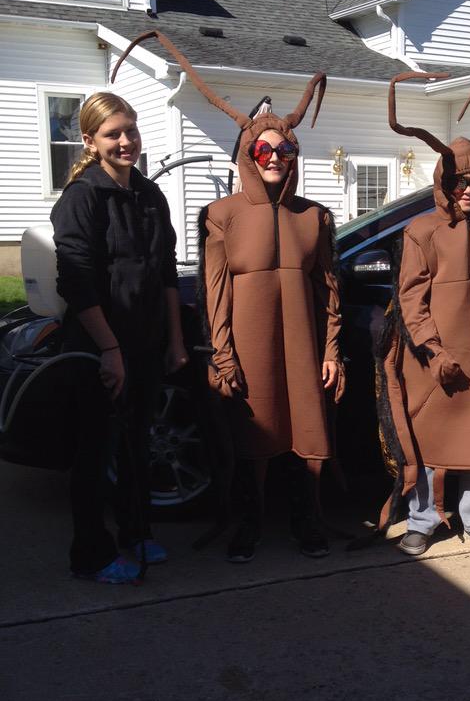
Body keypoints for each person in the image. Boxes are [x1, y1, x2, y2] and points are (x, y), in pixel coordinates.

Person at [109, 32, 345, 562]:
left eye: (285, 148)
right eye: (264, 149)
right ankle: (250, 523)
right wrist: (222, 353)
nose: (276, 157)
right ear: (248, 153)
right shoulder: (223, 215)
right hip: (249, 342)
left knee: (309, 434)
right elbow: (214, 291)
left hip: (304, 345)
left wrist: (332, 350)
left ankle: (310, 520)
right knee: (252, 439)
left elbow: (328, 287)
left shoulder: (315, 217)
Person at [376, 56, 470, 557]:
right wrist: (432, 350)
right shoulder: (421, 230)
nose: (467, 191)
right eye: (458, 182)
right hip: (436, 356)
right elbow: (410, 299)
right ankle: (424, 518)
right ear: (444, 182)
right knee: (432, 437)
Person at [51, 91, 187, 584]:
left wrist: (173, 342)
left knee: (136, 445)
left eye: (130, 130)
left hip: (146, 343)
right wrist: (109, 351)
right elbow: (76, 282)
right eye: (113, 134)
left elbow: (166, 273)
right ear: (90, 141)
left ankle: (135, 532)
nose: (126, 141)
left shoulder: (149, 195)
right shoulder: (82, 197)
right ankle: (91, 554)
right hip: (97, 350)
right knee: (95, 453)